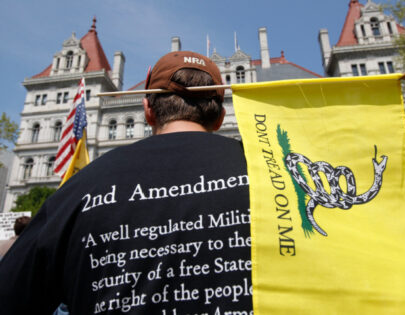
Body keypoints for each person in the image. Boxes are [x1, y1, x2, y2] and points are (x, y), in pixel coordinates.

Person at [0, 51, 252, 314]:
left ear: (148, 111)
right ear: (221, 116)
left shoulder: (79, 189)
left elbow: (10, 296)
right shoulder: (266, 177)